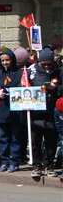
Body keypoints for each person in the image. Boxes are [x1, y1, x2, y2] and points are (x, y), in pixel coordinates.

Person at [0, 48, 26, 172]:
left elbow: (23, 87)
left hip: (16, 109)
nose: (5, 62)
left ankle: (14, 161)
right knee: (2, 138)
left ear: (12, 60)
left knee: (16, 137)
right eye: (3, 60)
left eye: (7, 60)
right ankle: (4, 160)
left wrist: (9, 91)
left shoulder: (20, 72)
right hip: (1, 109)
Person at [27, 48, 60, 179]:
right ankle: (37, 165)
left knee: (51, 141)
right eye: (44, 64)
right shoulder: (31, 71)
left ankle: (49, 165)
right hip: (36, 113)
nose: (46, 66)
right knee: (35, 141)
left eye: (49, 64)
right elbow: (23, 87)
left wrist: (56, 88)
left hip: (52, 112)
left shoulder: (59, 72)